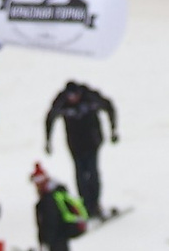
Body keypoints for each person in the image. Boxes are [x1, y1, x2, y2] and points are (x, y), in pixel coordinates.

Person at [44, 79, 119, 220]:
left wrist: (113, 130)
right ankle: (86, 206)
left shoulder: (90, 97)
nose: (73, 99)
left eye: (75, 96)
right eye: (70, 97)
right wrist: (48, 141)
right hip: (75, 145)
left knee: (92, 173)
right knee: (80, 175)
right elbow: (50, 118)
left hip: (92, 142)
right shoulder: (61, 101)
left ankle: (95, 205)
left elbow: (109, 106)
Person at [23, 163, 87, 251]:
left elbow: (50, 223)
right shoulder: (54, 194)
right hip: (57, 239)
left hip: (54, 241)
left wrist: (46, 242)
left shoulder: (48, 199)